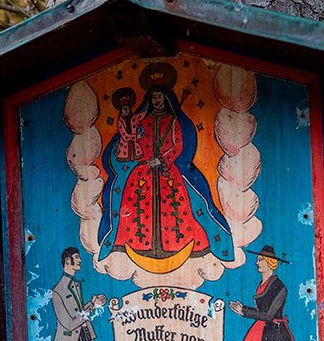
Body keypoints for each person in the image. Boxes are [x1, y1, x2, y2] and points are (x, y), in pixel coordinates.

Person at [98, 62, 234, 274]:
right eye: (153, 98)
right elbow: (134, 143)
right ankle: (141, 245)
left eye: (159, 97)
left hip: (166, 171)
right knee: (137, 206)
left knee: (176, 207)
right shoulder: (142, 120)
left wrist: (161, 160)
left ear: (166, 98)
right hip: (143, 171)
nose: (156, 101)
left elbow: (178, 145)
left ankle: (172, 245)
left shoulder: (173, 121)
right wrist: (142, 154)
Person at [230, 245, 308, 341]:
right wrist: (242, 308)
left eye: (260, 260)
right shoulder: (262, 283)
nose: (256, 263)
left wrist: (244, 312)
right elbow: (263, 312)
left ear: (270, 262)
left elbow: (269, 315)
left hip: (275, 334)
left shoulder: (279, 287)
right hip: (264, 329)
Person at [41, 247, 106, 341]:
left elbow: (78, 312)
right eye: (77, 257)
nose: (80, 260)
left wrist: (92, 303)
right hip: (75, 335)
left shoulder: (74, 284)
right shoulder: (59, 290)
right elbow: (70, 323)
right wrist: (92, 307)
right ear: (67, 261)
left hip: (83, 332)